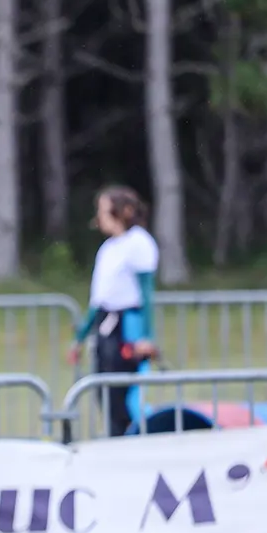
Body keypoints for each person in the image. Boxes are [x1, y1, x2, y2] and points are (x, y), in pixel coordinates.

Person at [69, 186, 161, 437]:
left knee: (123, 395)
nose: (100, 217)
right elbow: (99, 300)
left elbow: (146, 294)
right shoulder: (108, 248)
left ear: (125, 211)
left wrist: (146, 337)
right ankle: (116, 440)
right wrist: (80, 337)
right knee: (104, 393)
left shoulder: (139, 243)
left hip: (127, 326)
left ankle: (134, 441)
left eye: (104, 210)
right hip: (105, 325)